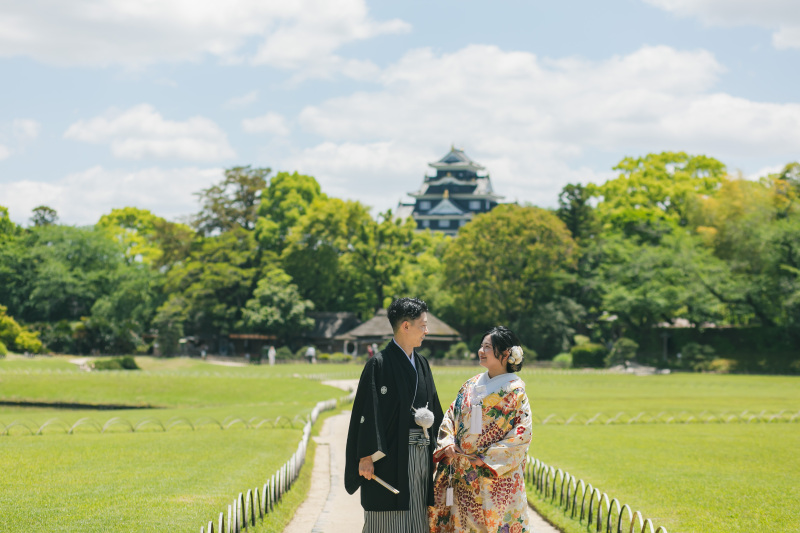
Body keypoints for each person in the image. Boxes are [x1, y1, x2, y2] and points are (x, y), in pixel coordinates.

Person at [345, 297, 444, 533]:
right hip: (388, 458)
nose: (426, 331)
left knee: (417, 515)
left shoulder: (422, 364)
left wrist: (439, 447)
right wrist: (366, 456)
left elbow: (436, 411)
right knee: (387, 517)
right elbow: (366, 413)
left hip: (420, 456)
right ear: (406, 326)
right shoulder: (378, 364)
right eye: (423, 325)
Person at [429, 326, 532, 533]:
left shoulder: (515, 391)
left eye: (488, 347)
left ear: (505, 354)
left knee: (492, 523)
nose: (481, 351)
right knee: (460, 523)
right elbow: (451, 415)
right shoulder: (471, 384)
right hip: (462, 471)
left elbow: (522, 434)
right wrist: (448, 443)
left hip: (493, 474)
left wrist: (485, 459)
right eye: (481, 346)